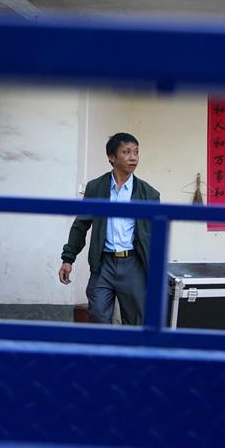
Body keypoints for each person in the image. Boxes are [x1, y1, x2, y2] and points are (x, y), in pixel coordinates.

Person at [58, 133, 160, 325]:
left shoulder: (148, 194)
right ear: (111, 157)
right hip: (103, 264)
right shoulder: (96, 188)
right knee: (98, 315)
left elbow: (154, 236)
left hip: (133, 264)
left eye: (136, 152)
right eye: (126, 152)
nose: (133, 157)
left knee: (136, 321)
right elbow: (81, 225)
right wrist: (68, 259)